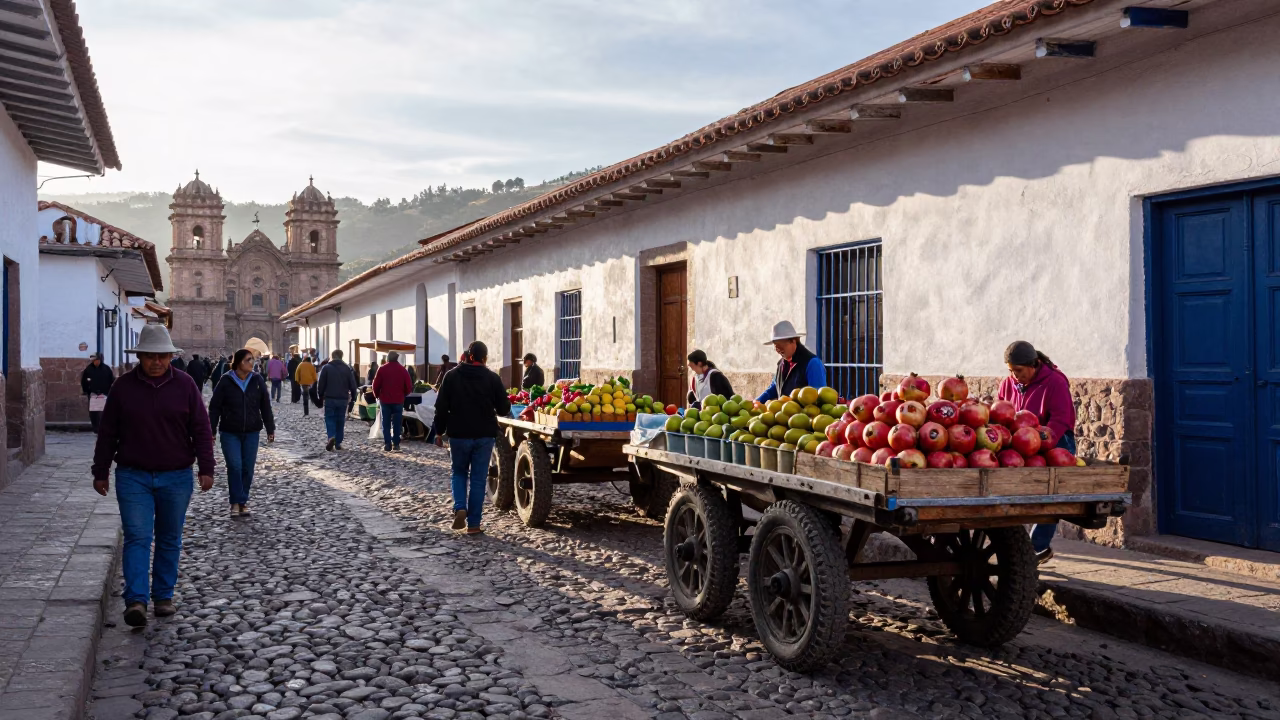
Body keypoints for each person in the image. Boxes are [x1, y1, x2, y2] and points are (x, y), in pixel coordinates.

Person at [90, 325, 214, 627]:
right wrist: (101, 470)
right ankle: (136, 600)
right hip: (134, 476)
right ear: (139, 357)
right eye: (149, 356)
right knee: (137, 537)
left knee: (170, 538)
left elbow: (201, 428)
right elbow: (108, 431)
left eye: (161, 356)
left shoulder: (185, 386)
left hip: (176, 477)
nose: (156, 362)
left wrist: (206, 467)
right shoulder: (122, 387)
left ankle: (162, 596)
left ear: (170, 356)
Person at [999, 340, 1077, 565]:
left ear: (1033, 365)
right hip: (1021, 443)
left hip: (1054, 440)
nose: (1015, 376)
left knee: (1050, 494)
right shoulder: (1008, 384)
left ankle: (1038, 546)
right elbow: (1003, 412)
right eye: (1011, 371)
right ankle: (1016, 546)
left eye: (1019, 371)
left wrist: (1041, 440)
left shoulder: (1055, 382)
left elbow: (1061, 419)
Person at [432, 341, 510, 534]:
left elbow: (441, 407)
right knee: (478, 479)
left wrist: (439, 432)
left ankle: (460, 507)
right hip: (484, 435)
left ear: (468, 356)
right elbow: (504, 409)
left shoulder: (451, 376)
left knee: (458, 473)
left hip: (458, 434)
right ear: (484, 358)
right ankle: (474, 525)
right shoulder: (492, 378)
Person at [208, 348, 275, 519]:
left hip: (252, 431)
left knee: (248, 468)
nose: (252, 363)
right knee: (235, 466)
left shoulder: (257, 380)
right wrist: (212, 429)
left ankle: (242, 502)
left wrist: (270, 428)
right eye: (248, 360)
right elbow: (214, 407)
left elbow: (265, 406)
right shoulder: (225, 381)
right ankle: (235, 502)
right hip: (230, 431)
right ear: (238, 363)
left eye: (252, 359)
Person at [756, 320, 826, 402]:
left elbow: (818, 396)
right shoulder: (781, 364)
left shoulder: (813, 363)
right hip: (783, 414)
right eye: (775, 346)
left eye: (781, 345)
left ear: (793, 341)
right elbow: (774, 388)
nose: (777, 349)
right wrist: (756, 401)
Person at [317, 349, 358, 451]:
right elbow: (353, 385)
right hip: (343, 399)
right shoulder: (347, 369)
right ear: (341, 356)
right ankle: (338, 443)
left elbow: (321, 384)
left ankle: (331, 437)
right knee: (340, 420)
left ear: (332, 356)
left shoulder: (326, 368)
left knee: (329, 418)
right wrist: (354, 398)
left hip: (330, 398)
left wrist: (320, 395)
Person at [372, 350, 413, 452]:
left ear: (388, 358)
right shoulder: (403, 370)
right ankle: (396, 444)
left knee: (385, 423)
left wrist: (376, 395)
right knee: (397, 423)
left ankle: (387, 444)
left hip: (385, 400)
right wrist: (404, 395)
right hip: (398, 400)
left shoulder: (382, 369)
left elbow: (375, 384)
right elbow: (409, 386)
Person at [81, 352, 114, 432]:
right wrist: (86, 390)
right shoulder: (88, 369)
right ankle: (95, 427)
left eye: (97, 360)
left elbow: (111, 380)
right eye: (94, 360)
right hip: (93, 394)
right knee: (93, 411)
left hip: (104, 394)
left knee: (104, 411)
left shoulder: (106, 369)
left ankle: (104, 426)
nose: (95, 362)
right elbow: (84, 381)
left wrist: (109, 390)